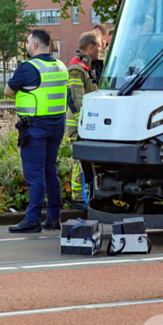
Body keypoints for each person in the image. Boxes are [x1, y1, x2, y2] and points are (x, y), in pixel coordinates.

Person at [5, 29, 68, 234]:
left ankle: (32, 219)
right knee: (50, 170)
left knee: (34, 174)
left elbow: (8, 91)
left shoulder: (28, 67)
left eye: (27, 42)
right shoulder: (61, 65)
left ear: (34, 45)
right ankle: (53, 217)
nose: (26, 45)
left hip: (35, 126)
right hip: (57, 124)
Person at [66, 31, 101, 209]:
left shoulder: (87, 67)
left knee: (86, 161)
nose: (101, 50)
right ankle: (77, 198)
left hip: (87, 124)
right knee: (79, 161)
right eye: (99, 47)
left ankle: (85, 196)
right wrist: (84, 124)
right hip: (78, 125)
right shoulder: (76, 69)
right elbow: (76, 99)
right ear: (91, 47)